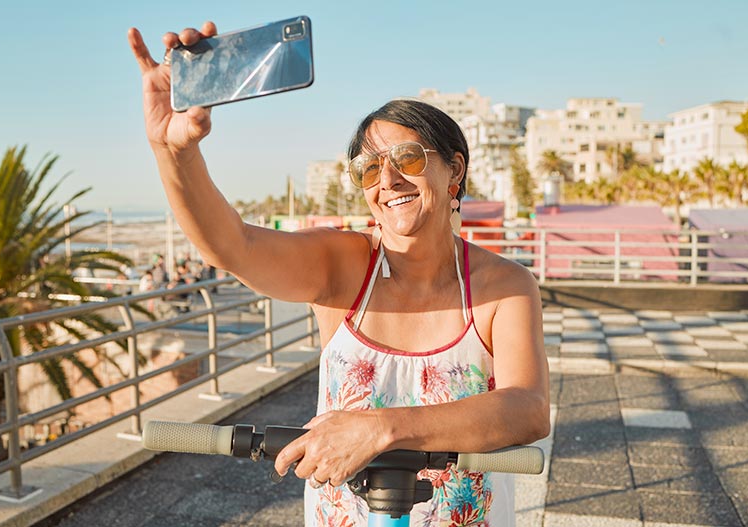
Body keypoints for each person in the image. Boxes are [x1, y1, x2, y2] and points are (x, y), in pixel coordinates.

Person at [128, 21, 549, 527]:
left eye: (407, 159)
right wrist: (174, 151)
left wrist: (381, 430)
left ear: (454, 170)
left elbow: (527, 409)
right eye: (369, 169)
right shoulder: (344, 267)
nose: (387, 180)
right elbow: (231, 246)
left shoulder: (503, 286)